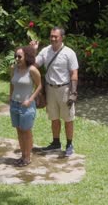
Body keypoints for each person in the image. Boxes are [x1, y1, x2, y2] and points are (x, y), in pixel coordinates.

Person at [30, 26, 79, 157]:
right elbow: (34, 64)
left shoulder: (69, 53)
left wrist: (73, 93)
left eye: (55, 36)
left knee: (68, 118)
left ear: (62, 37)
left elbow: (74, 74)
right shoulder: (46, 51)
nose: (53, 39)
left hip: (65, 89)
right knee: (54, 117)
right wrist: (33, 51)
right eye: (51, 36)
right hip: (50, 89)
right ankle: (56, 142)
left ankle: (69, 144)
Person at [9, 46, 42, 167]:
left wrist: (30, 99)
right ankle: (23, 155)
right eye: (16, 56)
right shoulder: (13, 69)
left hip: (27, 106)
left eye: (19, 56)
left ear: (26, 57)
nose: (17, 59)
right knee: (19, 131)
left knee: (26, 132)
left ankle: (27, 157)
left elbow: (39, 86)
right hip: (14, 104)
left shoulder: (32, 70)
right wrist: (10, 97)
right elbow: (11, 83)